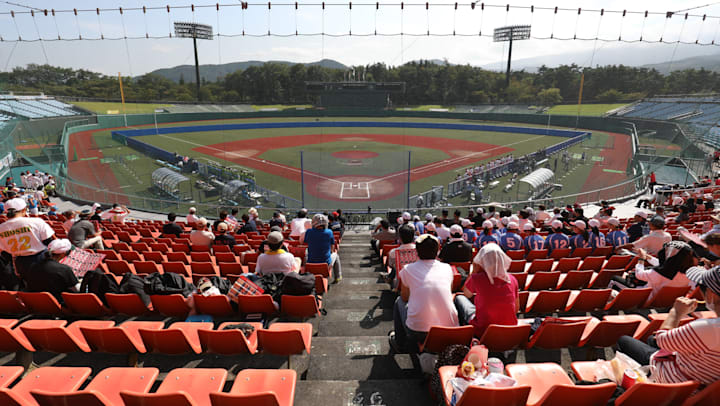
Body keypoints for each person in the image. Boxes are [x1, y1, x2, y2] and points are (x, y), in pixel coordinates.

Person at [616, 265, 720, 385]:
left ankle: (635, 383)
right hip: (703, 378)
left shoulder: (708, 328)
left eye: (702, 287)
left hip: (675, 380)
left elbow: (661, 339)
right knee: (650, 339)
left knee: (624, 340)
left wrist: (676, 312)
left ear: (712, 294)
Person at [389, 234, 459, 353]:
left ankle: (399, 343)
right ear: (437, 251)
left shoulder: (407, 269)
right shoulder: (447, 268)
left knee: (399, 301)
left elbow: (405, 297)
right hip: (449, 329)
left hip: (418, 331)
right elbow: (449, 290)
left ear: (417, 251)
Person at [454, 244, 519, 337]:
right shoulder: (512, 279)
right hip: (509, 328)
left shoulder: (477, 278)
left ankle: (464, 334)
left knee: (459, 298)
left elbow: (466, 294)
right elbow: (516, 308)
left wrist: (473, 272)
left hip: (483, 329)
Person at [0, 198, 55, 279]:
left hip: (19, 262)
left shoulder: (1, 228)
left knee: (29, 284)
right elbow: (49, 242)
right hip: (41, 258)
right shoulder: (36, 222)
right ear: (24, 210)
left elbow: (3, 251)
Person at [303, 214, 342, 283]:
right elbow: (332, 247)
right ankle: (338, 277)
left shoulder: (308, 232)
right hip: (325, 263)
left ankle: (304, 274)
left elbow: (305, 243)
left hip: (311, 262)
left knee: (306, 254)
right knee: (336, 256)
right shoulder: (329, 232)